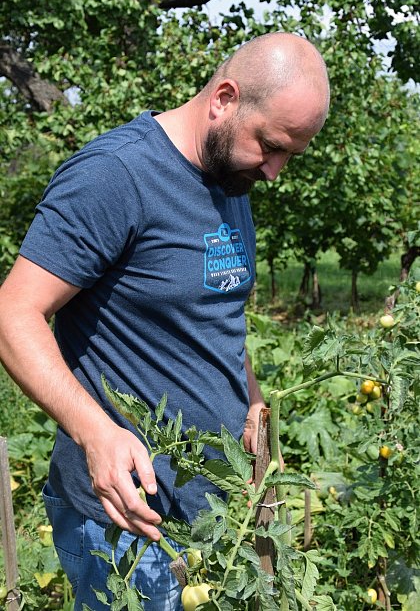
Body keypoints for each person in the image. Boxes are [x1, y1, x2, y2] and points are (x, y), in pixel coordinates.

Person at [0, 32, 329, 610]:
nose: (275, 171)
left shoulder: (231, 177)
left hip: (218, 515)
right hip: (129, 528)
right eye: (271, 147)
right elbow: (12, 312)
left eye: (289, 156)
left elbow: (217, 311)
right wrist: (95, 431)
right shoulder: (115, 175)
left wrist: (250, 404)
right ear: (225, 98)